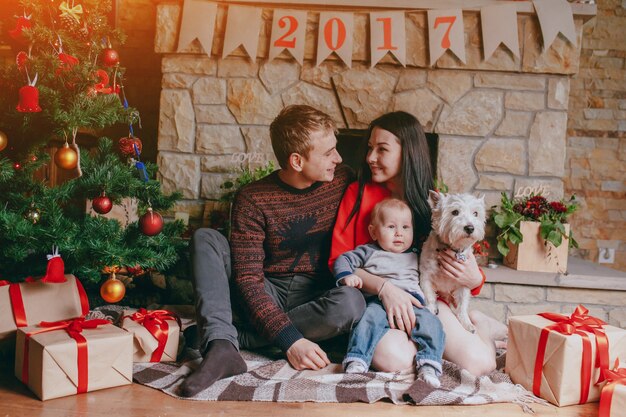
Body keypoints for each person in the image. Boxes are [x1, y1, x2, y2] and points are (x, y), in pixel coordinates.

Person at [181, 105, 366, 397]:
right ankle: (220, 344)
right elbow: (248, 281)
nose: (338, 158)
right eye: (328, 152)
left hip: (317, 295)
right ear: (296, 160)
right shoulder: (253, 198)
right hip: (267, 288)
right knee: (205, 238)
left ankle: (236, 340)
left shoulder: (344, 180)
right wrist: (292, 341)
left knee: (351, 303)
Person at [329, 111, 507, 377]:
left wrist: (475, 279)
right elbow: (338, 261)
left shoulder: (433, 201)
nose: (370, 158)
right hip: (376, 302)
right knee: (395, 360)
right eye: (370, 148)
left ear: (407, 152)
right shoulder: (358, 194)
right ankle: (427, 344)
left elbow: (462, 250)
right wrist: (385, 288)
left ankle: (478, 324)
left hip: (423, 299)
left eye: (382, 149)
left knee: (481, 364)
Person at [334, 198, 444, 388]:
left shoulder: (417, 253)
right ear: (374, 232)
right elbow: (343, 259)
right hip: (379, 302)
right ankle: (357, 359)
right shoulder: (368, 251)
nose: (399, 233)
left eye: (405, 227)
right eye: (391, 227)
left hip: (414, 302)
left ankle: (429, 364)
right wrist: (346, 276)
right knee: (368, 320)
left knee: (433, 324)